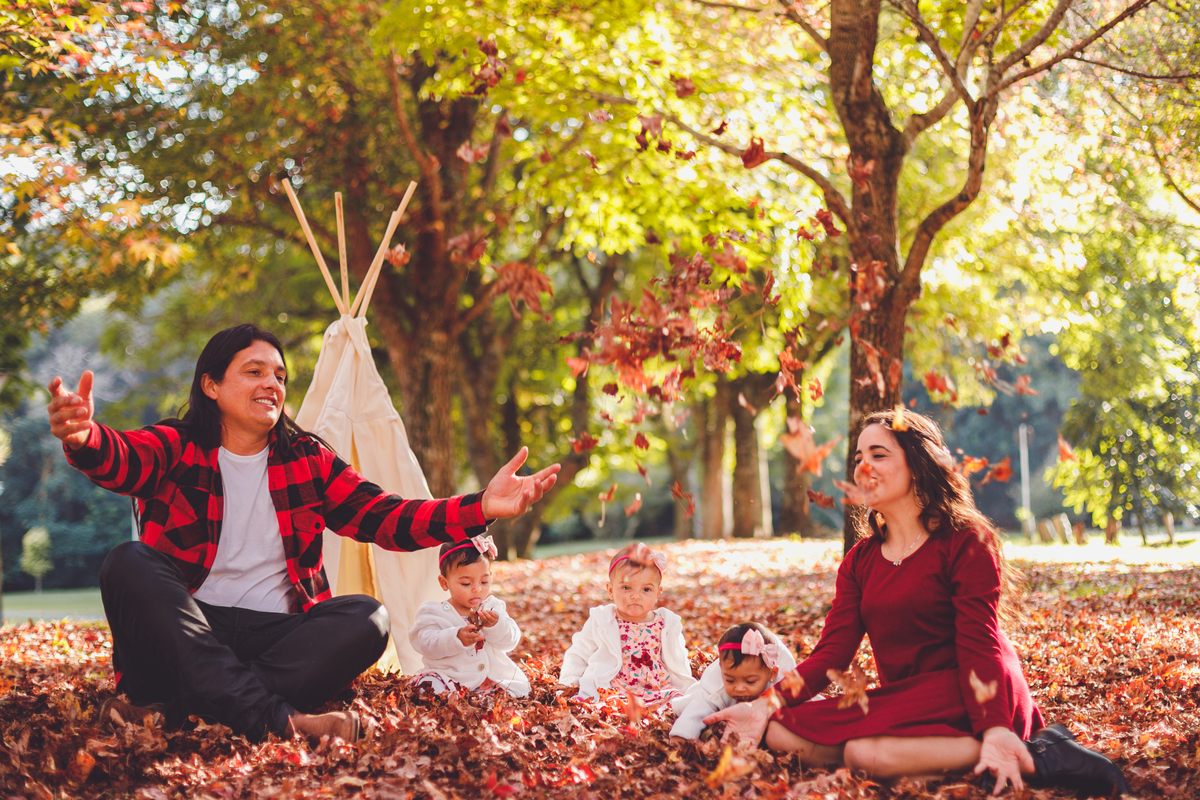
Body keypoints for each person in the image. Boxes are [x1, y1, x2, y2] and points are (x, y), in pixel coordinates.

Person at [47, 324, 559, 743]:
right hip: (187, 630)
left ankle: (185, 707)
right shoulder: (177, 444)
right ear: (211, 386)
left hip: (274, 639)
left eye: (280, 375)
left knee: (367, 617)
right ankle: (276, 720)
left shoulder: (307, 459)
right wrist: (83, 436)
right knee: (128, 562)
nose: (272, 383)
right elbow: (121, 458)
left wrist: (480, 508)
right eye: (254, 371)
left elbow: (386, 517)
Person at [704, 409, 1129, 798]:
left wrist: (997, 726)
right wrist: (765, 703)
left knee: (865, 758)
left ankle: (1021, 751)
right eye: (857, 458)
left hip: (973, 688)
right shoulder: (861, 560)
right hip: (907, 699)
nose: (863, 467)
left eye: (879, 454)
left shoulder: (966, 541)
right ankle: (954, 755)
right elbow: (831, 655)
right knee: (776, 730)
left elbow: (980, 645)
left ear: (917, 463)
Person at [558, 543, 695, 703]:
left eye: (646, 590)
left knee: (679, 705)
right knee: (600, 705)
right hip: (613, 689)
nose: (636, 596)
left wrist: (686, 690)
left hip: (657, 689)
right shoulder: (602, 620)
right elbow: (579, 653)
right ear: (610, 590)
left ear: (658, 593)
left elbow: (679, 660)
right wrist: (568, 684)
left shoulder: (666, 624)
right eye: (626, 587)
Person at [408, 535, 530, 697]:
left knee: (509, 693)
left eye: (484, 582)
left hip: (489, 678)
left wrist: (496, 625)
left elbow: (510, 642)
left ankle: (481, 703)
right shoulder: (434, 612)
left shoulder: (493, 607)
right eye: (466, 583)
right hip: (450, 679)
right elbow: (425, 644)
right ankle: (451, 701)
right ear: (444, 583)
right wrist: (456, 637)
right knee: (428, 685)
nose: (477, 589)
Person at [670, 622, 797, 740]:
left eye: (750, 682)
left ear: (772, 673)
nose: (739, 688)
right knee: (696, 700)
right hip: (706, 694)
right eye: (730, 680)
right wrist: (681, 736)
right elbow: (696, 711)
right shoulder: (716, 687)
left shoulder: (780, 683)